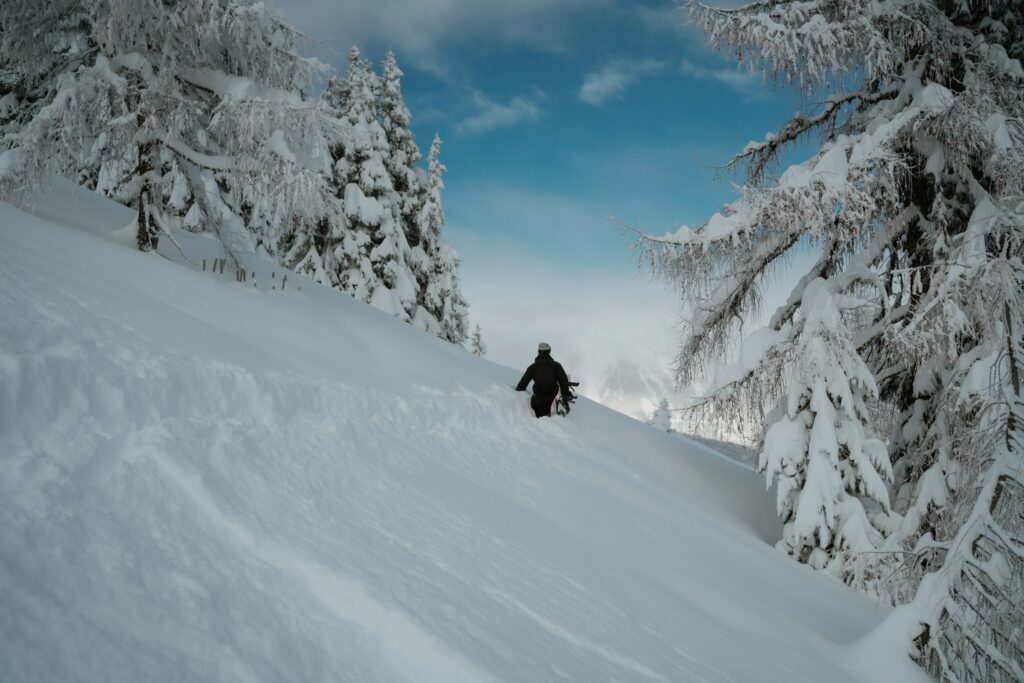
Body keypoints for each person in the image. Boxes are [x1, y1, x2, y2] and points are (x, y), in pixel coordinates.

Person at [516, 342, 573, 418]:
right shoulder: (556, 366)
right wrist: (567, 394)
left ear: (539, 351)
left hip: (537, 403)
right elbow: (564, 382)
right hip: (553, 402)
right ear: (549, 351)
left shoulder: (532, 367)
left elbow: (521, 386)